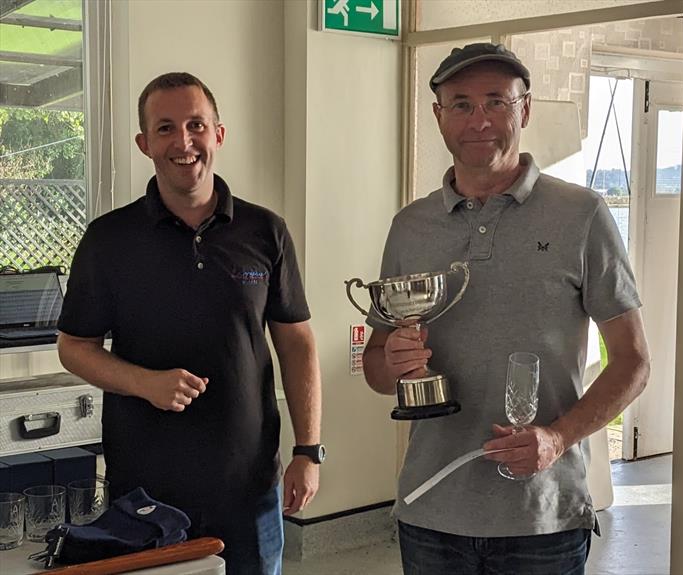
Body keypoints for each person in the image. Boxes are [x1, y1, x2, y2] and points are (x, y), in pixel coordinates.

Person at [362, 43, 650, 574]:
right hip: (431, 512)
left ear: (525, 109)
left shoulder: (581, 215)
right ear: (438, 116)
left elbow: (633, 361)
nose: (480, 120)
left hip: (542, 518)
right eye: (462, 104)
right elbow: (378, 371)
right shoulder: (410, 226)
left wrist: (558, 437)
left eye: (497, 101)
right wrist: (395, 362)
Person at [57, 72, 323, 575]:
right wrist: (145, 383)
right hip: (145, 493)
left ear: (218, 134)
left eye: (196, 125)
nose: (183, 142)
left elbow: (297, 344)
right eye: (165, 128)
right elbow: (74, 346)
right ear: (144, 143)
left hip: (250, 488)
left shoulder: (265, 231)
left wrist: (309, 450)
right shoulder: (108, 239)